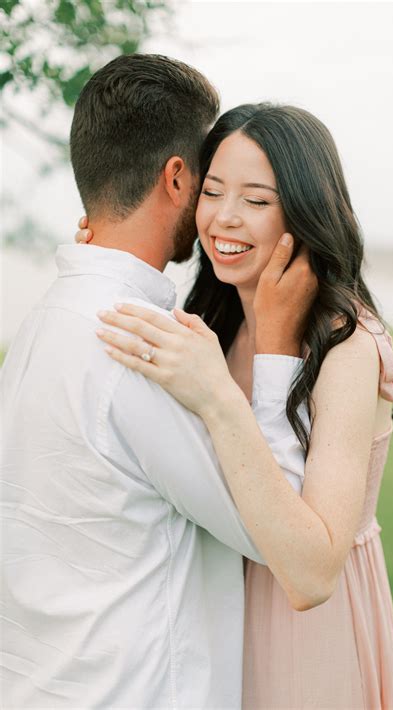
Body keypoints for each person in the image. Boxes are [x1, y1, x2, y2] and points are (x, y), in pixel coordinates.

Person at [0, 56, 318, 709]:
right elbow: (280, 536)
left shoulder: (42, 324)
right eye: (210, 180)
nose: (218, 207)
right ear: (178, 177)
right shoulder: (138, 345)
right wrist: (280, 348)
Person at [80, 103, 393, 708]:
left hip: (307, 636)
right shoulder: (213, 319)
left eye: (257, 201)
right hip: (209, 615)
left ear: (305, 211)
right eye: (212, 191)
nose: (224, 218)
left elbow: (311, 574)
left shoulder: (346, 345)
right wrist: (102, 266)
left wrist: (242, 378)